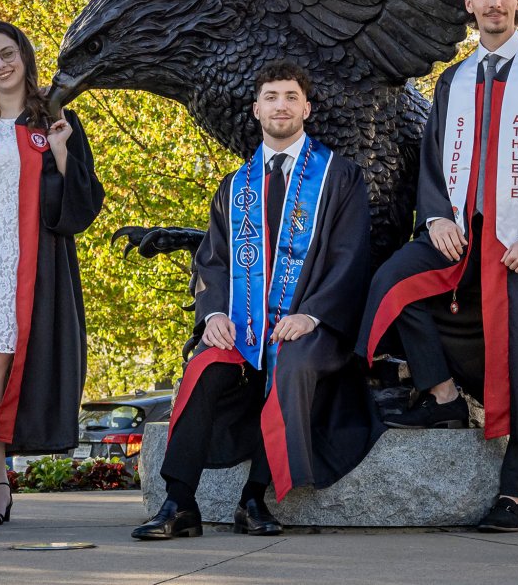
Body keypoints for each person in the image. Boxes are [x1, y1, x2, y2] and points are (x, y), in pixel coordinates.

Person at [356, 0, 518, 533]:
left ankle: (516, 496)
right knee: (393, 282)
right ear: (469, 4)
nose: (493, 3)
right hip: (461, 235)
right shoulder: (454, 79)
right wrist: (434, 215)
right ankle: (441, 394)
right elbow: (433, 157)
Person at [132, 60, 381, 541]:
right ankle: (179, 502)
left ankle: (255, 497)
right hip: (243, 327)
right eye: (271, 96)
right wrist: (216, 314)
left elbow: (351, 256)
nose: (281, 105)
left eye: (290, 96)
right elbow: (213, 261)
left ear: (307, 107)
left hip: (309, 328)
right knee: (204, 366)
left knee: (288, 363)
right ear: (256, 109)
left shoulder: (339, 177)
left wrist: (312, 314)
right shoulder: (235, 187)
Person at [0, 21, 104, 529]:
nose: (1, 65)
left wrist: (61, 150)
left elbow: (79, 206)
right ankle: (1, 487)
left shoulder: (54, 117)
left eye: (8, 54)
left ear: (25, 57)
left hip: (31, 269)